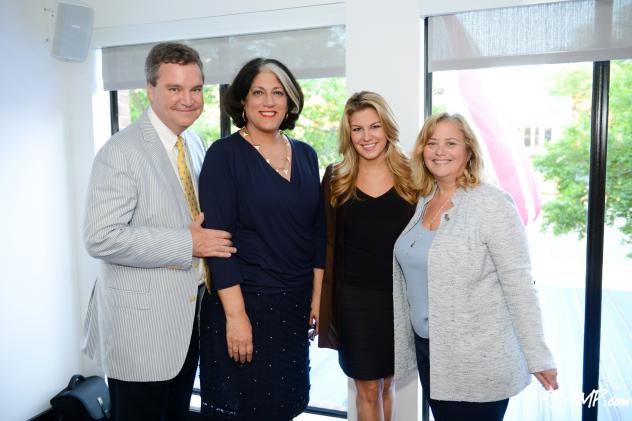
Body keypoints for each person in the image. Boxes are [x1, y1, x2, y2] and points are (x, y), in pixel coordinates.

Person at [81, 42, 236, 421]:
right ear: (150, 90)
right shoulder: (121, 151)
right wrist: (188, 243)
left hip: (186, 322)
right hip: (140, 332)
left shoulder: (195, 144)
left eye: (195, 89)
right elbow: (101, 236)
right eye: (174, 89)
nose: (188, 100)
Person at [393, 112, 558, 421]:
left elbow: (519, 284)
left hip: (476, 359)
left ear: (468, 151)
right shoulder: (423, 201)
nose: (440, 151)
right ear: (422, 151)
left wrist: (538, 355)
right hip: (431, 352)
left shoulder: (491, 203)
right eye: (432, 143)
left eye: (451, 143)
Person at [197, 58, 325, 421]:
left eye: (277, 92)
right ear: (242, 101)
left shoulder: (305, 154)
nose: (268, 102)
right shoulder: (224, 155)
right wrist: (236, 317)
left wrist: (317, 297)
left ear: (289, 102)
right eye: (258, 92)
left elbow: (317, 232)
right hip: (246, 303)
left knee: (286, 406)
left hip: (294, 306)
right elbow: (218, 246)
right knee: (245, 411)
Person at [319, 91, 417, 421]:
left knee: (388, 383)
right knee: (367, 388)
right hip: (354, 301)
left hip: (400, 301)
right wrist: (315, 299)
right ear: (348, 135)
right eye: (357, 129)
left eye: (374, 126)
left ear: (387, 127)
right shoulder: (336, 178)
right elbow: (323, 243)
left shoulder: (413, 175)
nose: (366, 136)